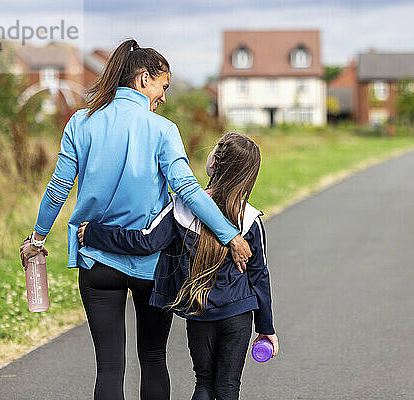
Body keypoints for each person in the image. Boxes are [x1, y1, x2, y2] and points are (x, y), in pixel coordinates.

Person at [19, 39, 252, 400]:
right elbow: (188, 191)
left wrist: (36, 240)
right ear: (144, 79)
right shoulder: (163, 131)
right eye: (163, 86)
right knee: (154, 358)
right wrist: (230, 235)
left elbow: (58, 188)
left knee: (109, 368)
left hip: (96, 260)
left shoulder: (80, 122)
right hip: (153, 266)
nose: (164, 97)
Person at [78, 132, 278, 400]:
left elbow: (144, 242)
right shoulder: (250, 219)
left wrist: (94, 233)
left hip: (199, 314)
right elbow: (259, 276)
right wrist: (266, 328)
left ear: (214, 164)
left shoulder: (179, 208)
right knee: (228, 388)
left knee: (204, 383)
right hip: (238, 315)